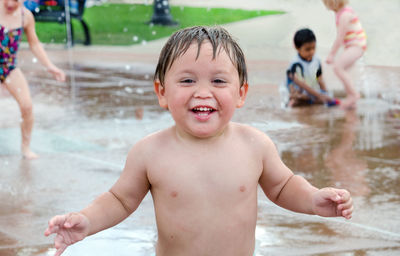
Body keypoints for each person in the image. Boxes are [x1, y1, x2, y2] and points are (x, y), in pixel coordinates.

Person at [44, 26, 353, 256]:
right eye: (187, 80)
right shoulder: (150, 152)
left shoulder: (254, 145)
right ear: (162, 92)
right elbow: (120, 200)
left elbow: (283, 186)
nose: (203, 92)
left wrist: (313, 199)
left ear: (241, 93)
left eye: (218, 81)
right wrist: (86, 220)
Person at [0, 0, 66, 159]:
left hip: (9, 68)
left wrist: (50, 66)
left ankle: (25, 147)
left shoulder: (26, 17)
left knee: (27, 106)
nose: (10, 3)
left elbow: (34, 44)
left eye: (15, 1)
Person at [322, 0, 367, 109]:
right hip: (353, 46)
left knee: (338, 68)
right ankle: (352, 99)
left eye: (326, 3)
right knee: (344, 71)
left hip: (356, 46)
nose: (327, 7)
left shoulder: (345, 15)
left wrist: (331, 54)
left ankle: (354, 95)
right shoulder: (340, 13)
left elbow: (339, 38)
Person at [286, 28, 340, 107]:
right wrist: (319, 95)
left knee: (326, 96)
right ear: (297, 48)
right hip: (299, 89)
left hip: (310, 90)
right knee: (298, 95)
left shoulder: (316, 60)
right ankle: (295, 100)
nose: (312, 52)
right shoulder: (295, 64)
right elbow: (302, 84)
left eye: (314, 48)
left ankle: (310, 100)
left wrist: (325, 93)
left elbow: (320, 79)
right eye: (307, 49)